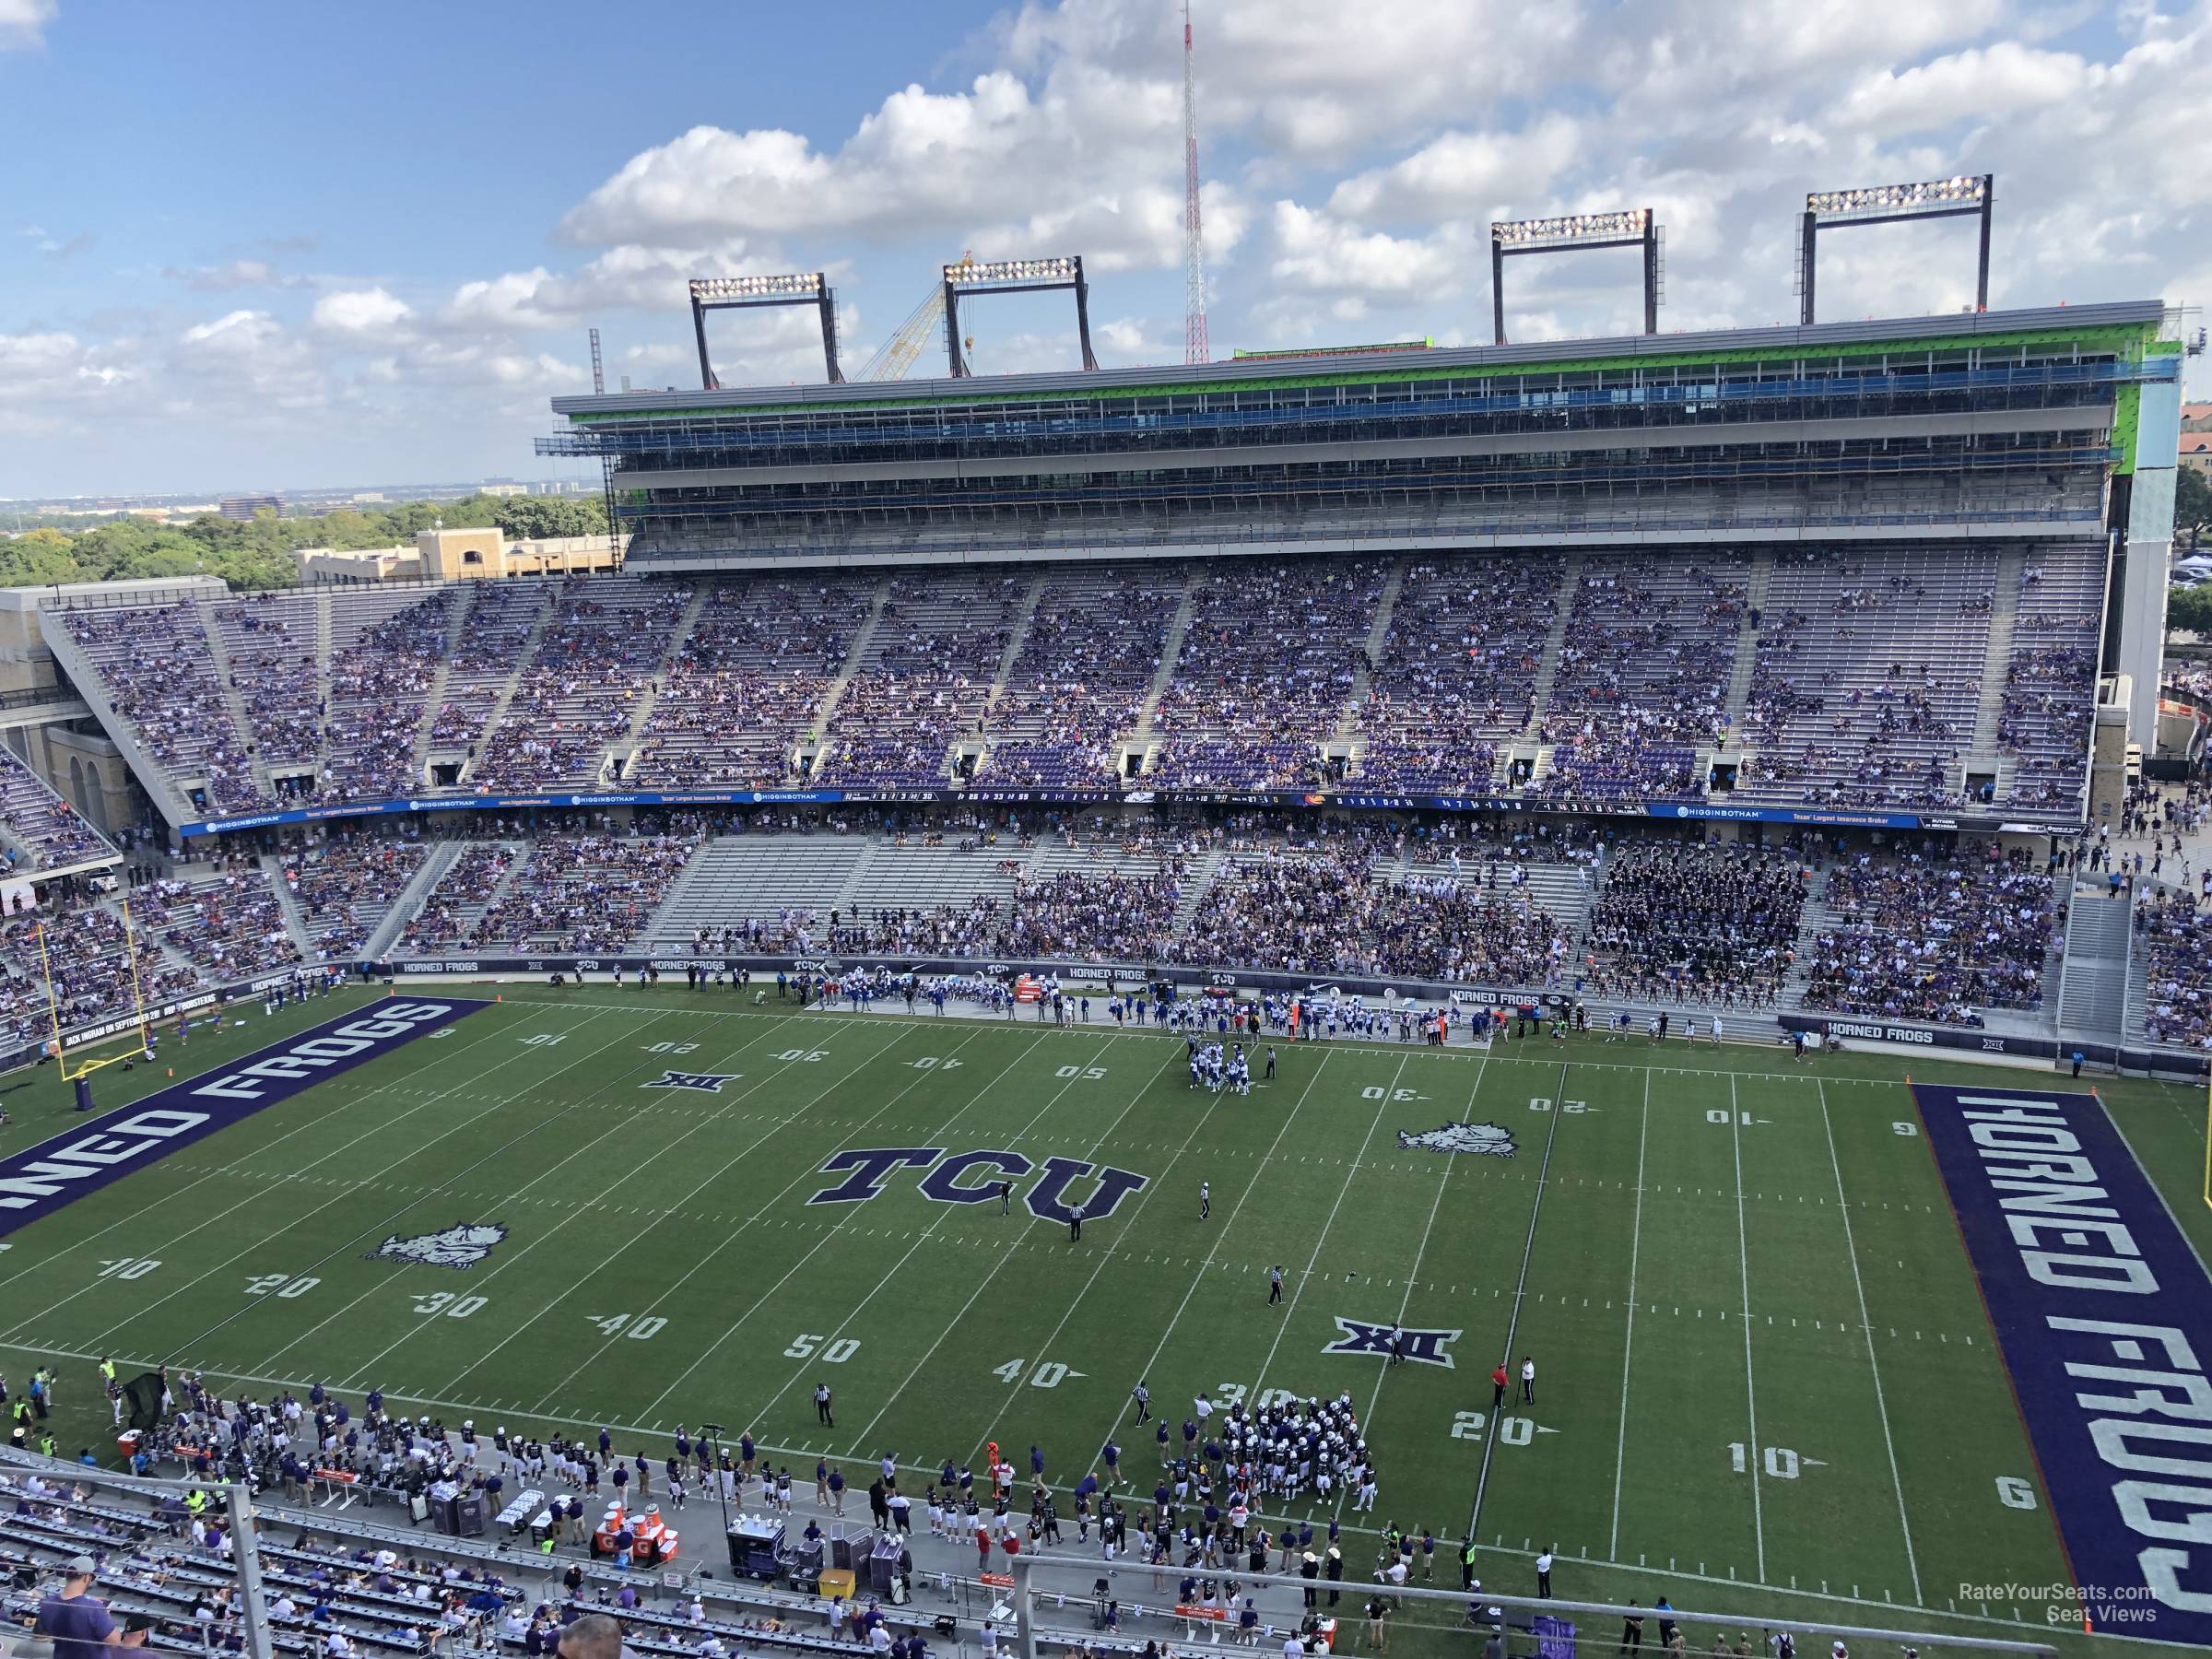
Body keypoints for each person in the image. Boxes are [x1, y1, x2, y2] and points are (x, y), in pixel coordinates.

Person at [36, 1555, 116, 1655]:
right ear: (87, 1577)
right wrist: (105, 1613)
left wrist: (90, 1603)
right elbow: (115, 1642)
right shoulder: (94, 1609)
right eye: (92, 1577)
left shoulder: (47, 1604)